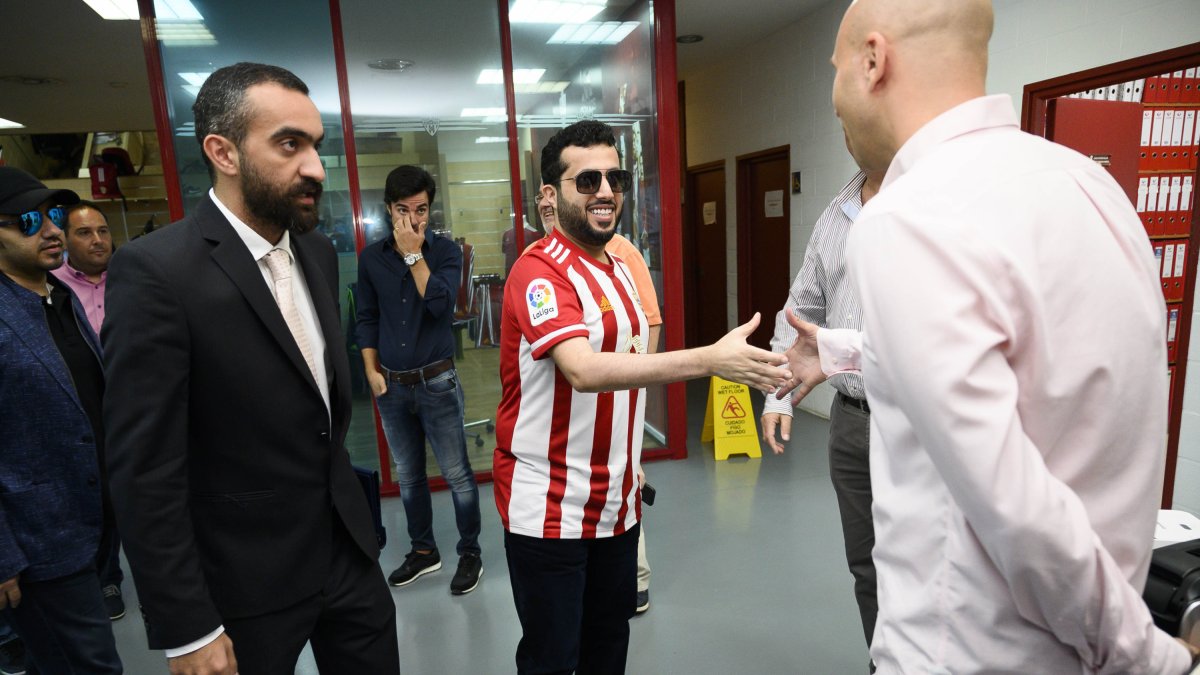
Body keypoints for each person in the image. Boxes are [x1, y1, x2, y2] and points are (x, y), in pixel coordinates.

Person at [779, 0, 1200, 671]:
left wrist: (1152, 657)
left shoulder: (905, 218)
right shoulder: (1092, 186)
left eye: (835, 70)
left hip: (971, 651)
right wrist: (837, 350)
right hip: (1093, 627)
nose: (834, 100)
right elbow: (1031, 361)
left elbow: (1015, 503)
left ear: (873, 60)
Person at [103, 63, 399, 674]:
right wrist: (187, 627)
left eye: (316, 146)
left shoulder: (315, 251)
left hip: (347, 557)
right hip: (243, 583)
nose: (315, 167)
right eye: (289, 144)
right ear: (223, 152)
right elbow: (145, 468)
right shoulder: (156, 272)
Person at [496, 119, 786, 674]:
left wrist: (629, 461)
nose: (605, 191)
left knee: (609, 645)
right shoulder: (537, 274)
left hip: (617, 503)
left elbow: (628, 369)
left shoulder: (620, 266)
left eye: (615, 178)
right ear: (553, 196)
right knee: (552, 658)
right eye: (587, 181)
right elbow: (581, 370)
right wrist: (708, 359)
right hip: (550, 507)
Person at [0, 167, 122, 673]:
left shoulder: (61, 297)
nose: (51, 230)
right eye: (29, 221)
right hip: (38, 541)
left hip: (92, 521)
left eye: (53, 216)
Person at [761, 168, 882, 650]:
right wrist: (779, 391)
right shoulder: (838, 212)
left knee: (933, 570)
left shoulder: (933, 199)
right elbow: (802, 311)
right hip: (850, 421)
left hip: (917, 423)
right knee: (866, 565)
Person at [356, 165, 484, 595]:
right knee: (408, 476)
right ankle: (424, 552)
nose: (414, 220)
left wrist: (414, 256)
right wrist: (371, 371)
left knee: (457, 474)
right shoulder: (371, 258)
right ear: (389, 210)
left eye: (422, 209)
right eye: (403, 210)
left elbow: (440, 308)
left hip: (437, 382)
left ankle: (470, 553)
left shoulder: (445, 252)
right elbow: (367, 317)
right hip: (391, 386)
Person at [533, 189, 661, 615]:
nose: (548, 209)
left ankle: (635, 580)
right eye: (542, 202)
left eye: (607, 181)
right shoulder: (537, 265)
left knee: (624, 485)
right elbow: (577, 369)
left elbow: (649, 323)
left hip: (617, 416)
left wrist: (636, 386)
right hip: (566, 441)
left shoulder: (621, 257)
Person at [49, 201, 125, 621]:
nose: (97, 240)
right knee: (94, 493)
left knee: (133, 494)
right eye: (84, 232)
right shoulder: (51, 287)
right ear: (64, 240)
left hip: (131, 406)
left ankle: (131, 581)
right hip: (82, 408)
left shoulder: (131, 280)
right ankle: (100, 574)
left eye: (102, 230)